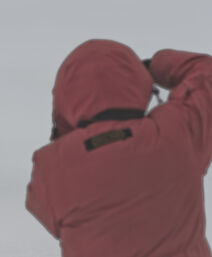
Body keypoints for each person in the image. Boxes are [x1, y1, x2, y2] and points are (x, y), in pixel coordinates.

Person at [25, 39, 212, 257]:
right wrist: (154, 67)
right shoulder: (180, 131)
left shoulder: (51, 166)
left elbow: (44, 210)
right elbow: (207, 74)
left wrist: (65, 131)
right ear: (139, 84)